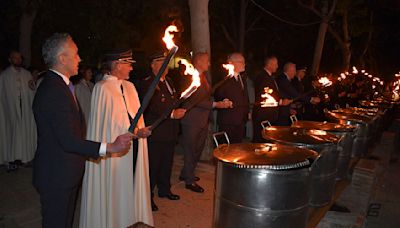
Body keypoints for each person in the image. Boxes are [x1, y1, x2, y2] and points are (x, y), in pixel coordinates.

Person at [32, 33, 133, 228]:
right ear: (62, 58)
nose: (80, 59)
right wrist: (110, 147)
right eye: (76, 54)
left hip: (63, 172)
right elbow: (68, 140)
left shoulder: (61, 85)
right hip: (56, 175)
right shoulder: (53, 90)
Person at [79, 49, 153, 228]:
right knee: (116, 188)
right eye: (128, 64)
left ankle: (132, 218)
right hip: (115, 152)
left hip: (133, 147)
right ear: (117, 65)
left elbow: (134, 117)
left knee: (133, 181)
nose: (131, 69)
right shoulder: (102, 88)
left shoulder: (130, 87)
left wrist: (140, 131)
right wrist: (133, 132)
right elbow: (105, 127)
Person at [139, 51, 186, 211]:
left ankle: (164, 190)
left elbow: (173, 101)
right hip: (156, 132)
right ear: (153, 65)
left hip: (170, 131)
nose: (166, 64)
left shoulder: (170, 81)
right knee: (153, 166)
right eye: (161, 61)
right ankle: (148, 196)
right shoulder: (148, 83)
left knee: (167, 164)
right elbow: (151, 106)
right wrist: (172, 114)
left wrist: (178, 111)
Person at [179, 52, 231, 193]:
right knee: (190, 150)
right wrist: (216, 105)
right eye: (206, 61)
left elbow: (206, 95)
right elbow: (194, 100)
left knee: (197, 150)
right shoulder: (190, 77)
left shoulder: (203, 77)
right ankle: (189, 181)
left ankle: (186, 173)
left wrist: (220, 101)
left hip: (202, 119)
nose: (209, 64)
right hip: (191, 120)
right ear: (199, 62)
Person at [0, 50, 37, 171]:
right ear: (10, 60)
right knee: (12, 132)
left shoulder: (27, 74)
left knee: (24, 131)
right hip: (10, 110)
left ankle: (24, 157)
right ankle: (12, 159)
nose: (18, 60)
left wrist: (32, 87)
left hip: (24, 108)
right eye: (15, 58)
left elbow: (32, 90)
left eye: (19, 58)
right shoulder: (4, 76)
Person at [252, 56, 291, 142]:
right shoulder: (263, 77)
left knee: (266, 138)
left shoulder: (268, 77)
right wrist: (280, 102)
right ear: (269, 64)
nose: (277, 66)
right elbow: (265, 94)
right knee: (261, 139)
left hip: (268, 114)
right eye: (276, 64)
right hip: (263, 114)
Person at [214, 53, 249, 143]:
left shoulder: (242, 78)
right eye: (241, 62)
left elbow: (245, 97)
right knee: (227, 148)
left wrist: (247, 111)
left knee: (237, 147)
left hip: (240, 120)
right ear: (232, 63)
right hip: (228, 120)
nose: (244, 64)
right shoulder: (224, 78)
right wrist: (224, 100)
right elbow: (217, 93)